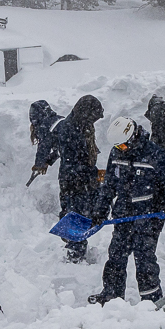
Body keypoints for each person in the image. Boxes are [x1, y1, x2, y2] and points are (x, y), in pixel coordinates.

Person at [87, 117, 165, 305]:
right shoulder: (116, 153)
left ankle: (151, 300)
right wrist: (100, 210)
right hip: (123, 214)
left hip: (149, 216)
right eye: (117, 146)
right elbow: (109, 185)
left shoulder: (154, 154)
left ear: (133, 137)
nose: (120, 150)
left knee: (144, 259)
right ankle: (112, 296)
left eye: (122, 146)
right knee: (116, 256)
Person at [53, 95, 105, 263]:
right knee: (76, 215)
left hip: (84, 178)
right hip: (73, 181)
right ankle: (74, 253)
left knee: (87, 213)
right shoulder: (69, 130)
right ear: (86, 113)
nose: (94, 121)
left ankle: (77, 247)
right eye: (94, 117)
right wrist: (91, 176)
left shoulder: (83, 125)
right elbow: (74, 162)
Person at [30, 100, 64, 178]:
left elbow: (43, 147)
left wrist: (39, 165)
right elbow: (61, 148)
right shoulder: (60, 119)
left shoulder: (45, 126)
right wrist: (48, 161)